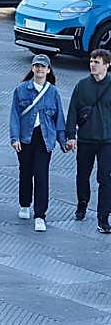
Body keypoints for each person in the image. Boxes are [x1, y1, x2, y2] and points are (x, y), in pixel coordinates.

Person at [10, 54, 67, 231]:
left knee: (41, 175)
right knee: (25, 171)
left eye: (43, 67)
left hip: (45, 138)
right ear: (32, 69)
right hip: (26, 137)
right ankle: (25, 204)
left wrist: (62, 140)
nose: (40, 70)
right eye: (37, 66)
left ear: (48, 70)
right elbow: (14, 116)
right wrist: (15, 138)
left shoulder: (53, 92)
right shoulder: (21, 90)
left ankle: (40, 215)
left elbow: (59, 118)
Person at [65, 47, 111, 233]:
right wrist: (70, 136)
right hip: (85, 139)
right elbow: (72, 111)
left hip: (107, 141)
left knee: (105, 179)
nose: (92, 64)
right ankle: (82, 204)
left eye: (97, 62)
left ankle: (103, 217)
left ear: (107, 65)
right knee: (82, 176)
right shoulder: (82, 85)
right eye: (91, 61)